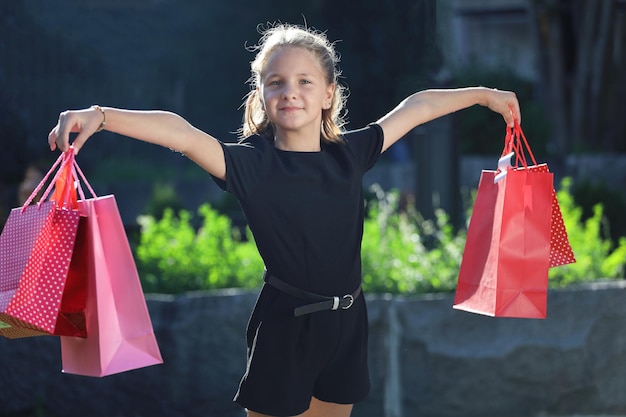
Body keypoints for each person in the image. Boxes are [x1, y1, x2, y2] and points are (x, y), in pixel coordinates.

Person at [49, 23, 521, 417]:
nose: (289, 92)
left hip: (347, 323)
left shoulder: (349, 154)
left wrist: (483, 94)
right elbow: (181, 132)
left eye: (303, 81)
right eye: (275, 82)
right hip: (285, 326)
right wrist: (101, 116)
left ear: (328, 95)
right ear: (261, 94)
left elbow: (417, 108)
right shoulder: (250, 164)